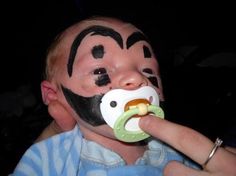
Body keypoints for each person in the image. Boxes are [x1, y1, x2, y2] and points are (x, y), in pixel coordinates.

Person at [10, 16, 234, 175]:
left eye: (148, 70)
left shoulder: (178, 152)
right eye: (100, 71)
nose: (138, 79)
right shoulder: (56, 154)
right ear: (53, 95)